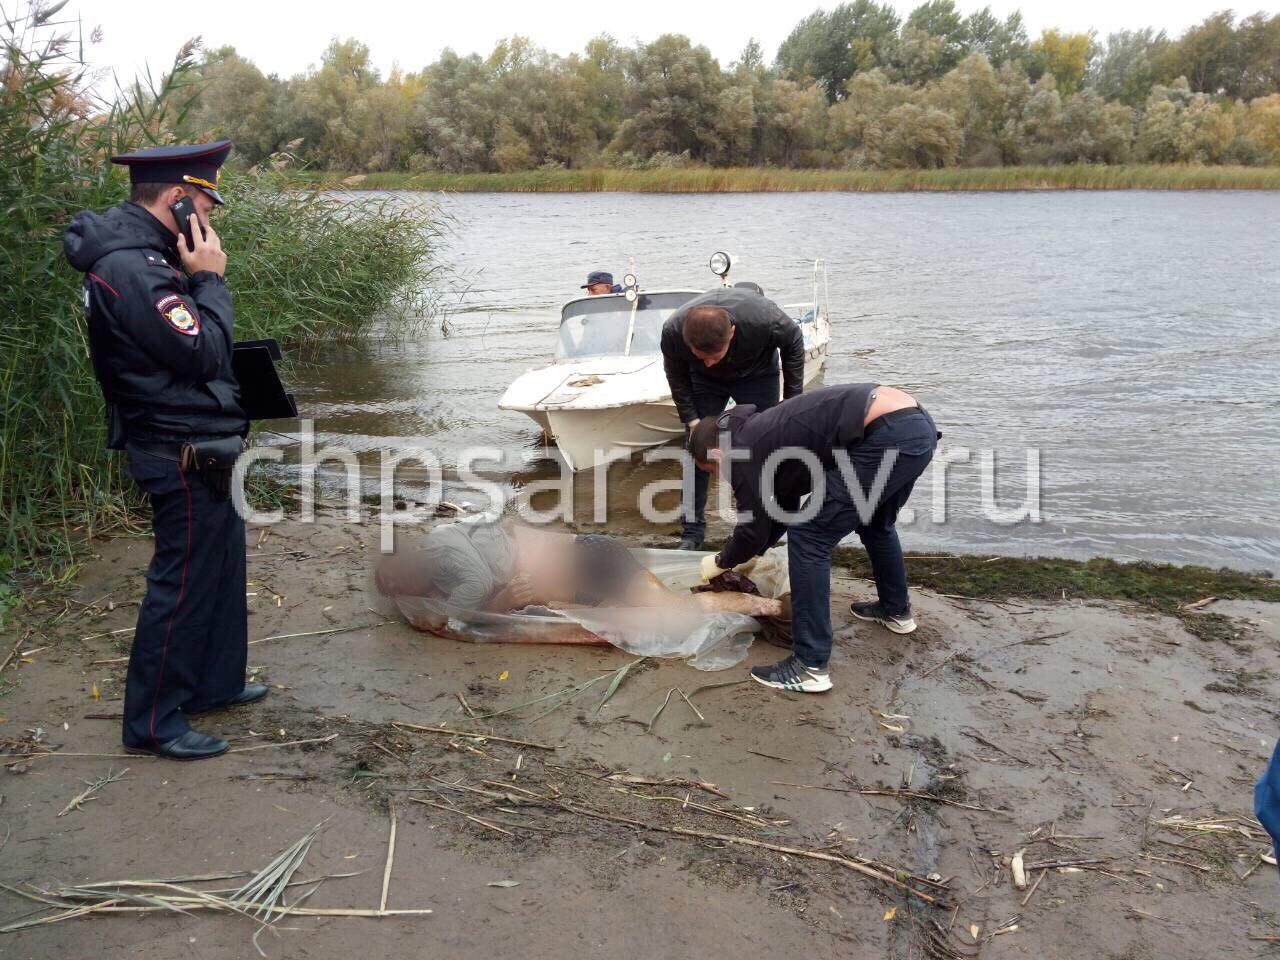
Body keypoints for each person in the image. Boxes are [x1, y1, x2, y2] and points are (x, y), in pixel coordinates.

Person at [63, 140, 266, 760]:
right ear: (179, 199)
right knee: (180, 583)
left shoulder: (149, 254)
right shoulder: (133, 267)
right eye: (207, 199)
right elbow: (200, 350)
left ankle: (213, 682)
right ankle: (153, 721)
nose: (214, 213)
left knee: (220, 566)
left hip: (199, 439)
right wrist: (208, 278)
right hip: (175, 447)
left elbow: (184, 353)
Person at [688, 383, 939, 694]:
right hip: (915, 427)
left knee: (809, 535)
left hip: (884, 436)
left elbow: (752, 527)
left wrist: (721, 560)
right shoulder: (758, 432)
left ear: (717, 452)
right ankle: (895, 611)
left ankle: (809, 666)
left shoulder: (740, 450)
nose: (720, 477)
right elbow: (783, 505)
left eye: (713, 469)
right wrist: (756, 551)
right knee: (875, 524)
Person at [375, 515, 782, 619]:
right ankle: (736, 595)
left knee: (672, 612)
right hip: (580, 593)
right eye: (397, 590)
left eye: (398, 577)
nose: (403, 586)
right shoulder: (442, 580)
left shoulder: (441, 544)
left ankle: (773, 609)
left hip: (591, 558)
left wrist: (492, 606)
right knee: (649, 620)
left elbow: (479, 589)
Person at [661, 286, 806, 550]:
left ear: (732, 333)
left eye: (714, 356)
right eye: (700, 356)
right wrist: (692, 420)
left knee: (765, 449)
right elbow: (676, 375)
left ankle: (765, 528)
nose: (709, 362)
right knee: (697, 452)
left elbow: (794, 343)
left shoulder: (765, 319)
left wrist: (792, 400)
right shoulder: (672, 332)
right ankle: (691, 534)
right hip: (704, 384)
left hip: (758, 374)